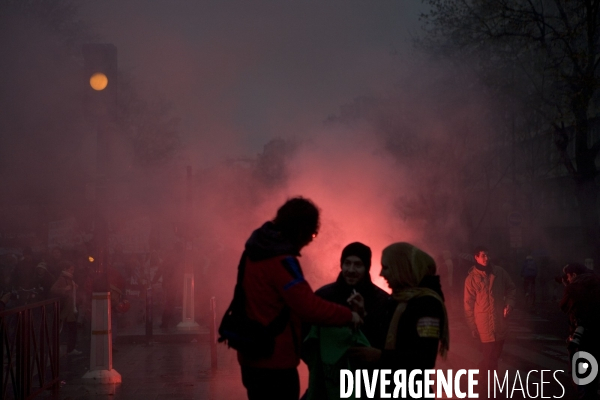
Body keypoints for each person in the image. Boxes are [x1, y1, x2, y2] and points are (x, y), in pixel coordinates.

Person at [235, 197, 363, 400]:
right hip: (275, 359)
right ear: (301, 230)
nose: (309, 241)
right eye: (312, 234)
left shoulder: (253, 252)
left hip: (251, 354)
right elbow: (307, 306)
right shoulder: (282, 260)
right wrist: (350, 315)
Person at [348, 243, 448, 395]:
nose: (381, 273)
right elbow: (384, 337)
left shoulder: (427, 304)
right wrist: (363, 314)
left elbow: (424, 360)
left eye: (386, 267)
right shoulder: (399, 300)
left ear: (402, 268)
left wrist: (380, 357)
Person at [464, 246, 516, 373]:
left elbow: (511, 289)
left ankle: (483, 372)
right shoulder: (471, 279)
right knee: (489, 356)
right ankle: (489, 385)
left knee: (495, 355)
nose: (486, 258)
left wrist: (509, 304)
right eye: (483, 256)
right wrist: (472, 326)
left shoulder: (499, 273)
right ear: (476, 257)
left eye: (487, 255)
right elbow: (468, 305)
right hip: (483, 325)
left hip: (499, 322)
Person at [560, 263, 600, 400]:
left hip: (581, 338)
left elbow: (563, 306)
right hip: (596, 335)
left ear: (574, 275)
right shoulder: (596, 283)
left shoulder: (574, 288)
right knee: (593, 378)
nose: (567, 279)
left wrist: (568, 288)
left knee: (580, 377)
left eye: (568, 276)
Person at [51, 261, 81, 356]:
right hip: (66, 310)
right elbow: (53, 290)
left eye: (73, 269)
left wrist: (74, 288)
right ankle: (68, 349)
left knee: (68, 329)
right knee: (68, 330)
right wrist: (65, 289)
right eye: (70, 269)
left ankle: (67, 349)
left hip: (69, 309)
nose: (72, 271)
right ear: (65, 269)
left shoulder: (69, 279)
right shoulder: (62, 279)